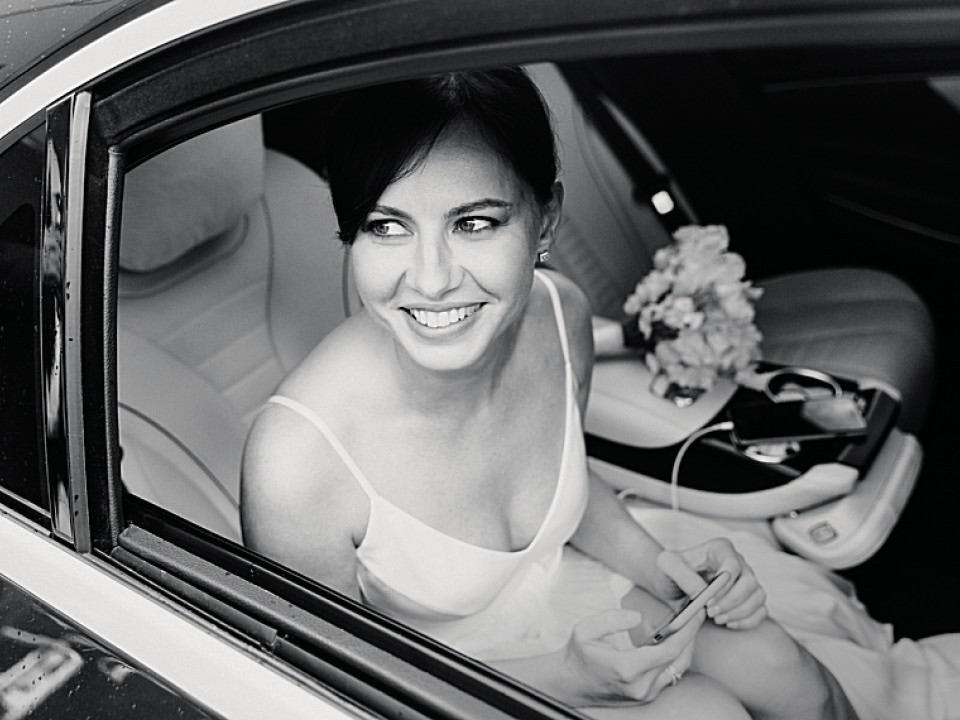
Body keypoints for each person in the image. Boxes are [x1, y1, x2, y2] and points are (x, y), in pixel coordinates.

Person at [240, 67, 858, 719]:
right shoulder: (296, 465)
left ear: (545, 221)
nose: (431, 280)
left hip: (559, 588)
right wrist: (558, 679)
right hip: (435, 683)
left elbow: (568, 482)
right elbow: (334, 683)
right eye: (387, 226)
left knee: (790, 673)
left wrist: (664, 569)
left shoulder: (561, 314)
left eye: (474, 223)